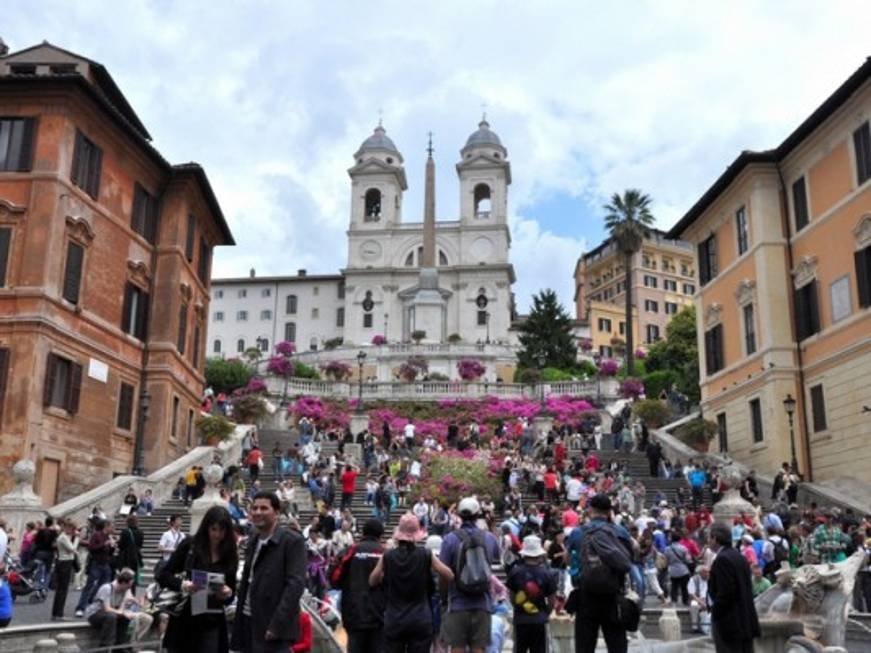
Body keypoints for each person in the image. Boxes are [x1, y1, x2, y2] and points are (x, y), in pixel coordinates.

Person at [231, 491, 306, 653]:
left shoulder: (292, 541)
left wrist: (277, 625)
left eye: (264, 508)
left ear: (277, 513)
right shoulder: (253, 541)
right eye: (254, 508)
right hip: (247, 621)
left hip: (272, 625)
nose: (258, 512)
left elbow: (295, 586)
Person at [369, 513, 454, 653]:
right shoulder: (426, 555)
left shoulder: (388, 556)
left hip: (394, 618)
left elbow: (372, 580)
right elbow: (449, 575)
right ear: (416, 535)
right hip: (420, 619)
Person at [158, 505, 237, 652]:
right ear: (206, 527)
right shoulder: (190, 545)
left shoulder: (230, 554)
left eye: (222, 530)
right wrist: (183, 585)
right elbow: (163, 575)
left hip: (212, 621)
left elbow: (231, 594)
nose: (217, 535)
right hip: (185, 619)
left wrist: (227, 593)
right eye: (213, 529)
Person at [565, 494, 633, 653]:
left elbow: (568, 560)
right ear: (610, 511)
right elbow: (630, 555)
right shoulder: (620, 531)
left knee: (584, 645)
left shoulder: (578, 532)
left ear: (590, 510)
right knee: (617, 644)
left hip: (586, 594)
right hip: (614, 593)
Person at [439, 497, 501, 653]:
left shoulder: (450, 539)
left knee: (457, 647)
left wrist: (444, 598)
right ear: (477, 514)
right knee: (479, 648)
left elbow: (444, 574)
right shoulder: (488, 538)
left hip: (457, 602)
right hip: (482, 602)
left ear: (459, 514)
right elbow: (495, 556)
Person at [331, 519, 386, 653]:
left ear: (363, 532)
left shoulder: (350, 550)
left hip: (354, 613)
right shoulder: (386, 553)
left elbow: (334, 579)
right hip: (380, 615)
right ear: (381, 535)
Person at [708, 522, 760, 653]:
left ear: (715, 538)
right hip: (744, 619)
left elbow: (726, 592)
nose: (708, 541)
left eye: (709, 538)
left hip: (730, 622)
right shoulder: (739, 556)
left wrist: (715, 610)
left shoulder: (722, 559)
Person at [506, 535, 558, 653]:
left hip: (520, 620)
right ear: (539, 555)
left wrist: (519, 607)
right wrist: (545, 613)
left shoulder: (515, 572)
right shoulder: (547, 574)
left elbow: (512, 597)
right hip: (539, 621)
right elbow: (551, 601)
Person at [85, 568, 153, 648]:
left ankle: (119, 646)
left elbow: (121, 610)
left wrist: (125, 607)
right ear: (123, 583)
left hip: (109, 613)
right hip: (94, 613)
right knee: (111, 616)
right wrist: (122, 612)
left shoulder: (124, 590)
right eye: (128, 586)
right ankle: (106, 646)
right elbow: (107, 609)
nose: (129, 588)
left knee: (125, 617)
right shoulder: (107, 588)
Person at [74, 518, 114, 618]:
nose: (113, 529)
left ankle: (91, 602)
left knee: (103, 586)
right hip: (96, 564)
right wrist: (103, 544)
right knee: (88, 586)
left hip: (105, 564)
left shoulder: (108, 537)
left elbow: (109, 552)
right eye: (112, 527)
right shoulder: (97, 535)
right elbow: (91, 548)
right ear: (106, 526)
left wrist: (113, 547)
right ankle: (80, 608)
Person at [52, 520, 80, 620]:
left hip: (64, 562)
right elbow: (72, 549)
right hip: (65, 563)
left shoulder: (64, 536)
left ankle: (57, 613)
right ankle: (59, 614)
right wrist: (77, 538)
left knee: (61, 590)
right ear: (68, 528)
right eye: (73, 529)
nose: (73, 531)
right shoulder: (63, 537)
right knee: (62, 590)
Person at [116, 515, 144, 587]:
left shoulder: (125, 531)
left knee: (124, 577)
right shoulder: (140, 532)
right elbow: (140, 545)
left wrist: (118, 541)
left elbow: (121, 546)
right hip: (135, 557)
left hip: (125, 558)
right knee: (133, 577)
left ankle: (123, 593)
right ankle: (132, 593)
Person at [687, 565, 710, 633]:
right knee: (694, 605)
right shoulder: (693, 579)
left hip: (708, 599)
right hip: (697, 599)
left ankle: (707, 627)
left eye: (708, 572)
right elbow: (691, 594)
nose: (708, 574)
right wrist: (701, 602)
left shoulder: (711, 579)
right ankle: (695, 627)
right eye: (706, 572)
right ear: (701, 573)